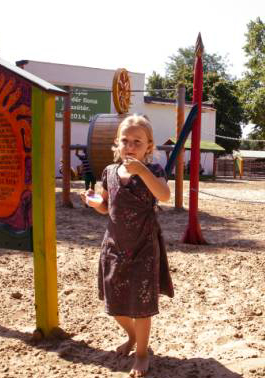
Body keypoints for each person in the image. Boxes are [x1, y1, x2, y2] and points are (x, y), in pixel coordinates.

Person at [80, 114, 174, 377]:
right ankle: (132, 337)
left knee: (142, 304)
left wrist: (142, 171)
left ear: (149, 147)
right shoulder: (109, 172)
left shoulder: (154, 171)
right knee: (115, 302)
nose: (130, 146)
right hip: (114, 246)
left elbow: (164, 196)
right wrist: (94, 202)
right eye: (125, 140)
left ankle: (142, 353)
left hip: (144, 246)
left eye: (137, 141)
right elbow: (106, 206)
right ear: (116, 144)